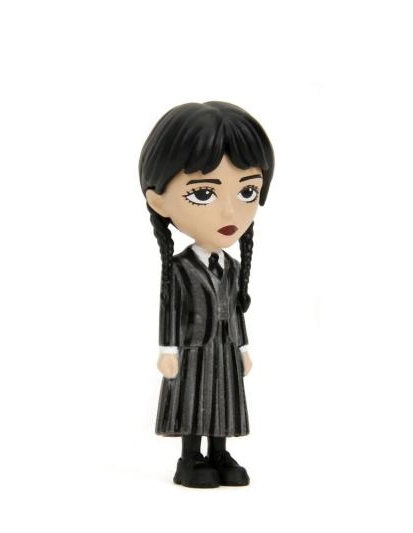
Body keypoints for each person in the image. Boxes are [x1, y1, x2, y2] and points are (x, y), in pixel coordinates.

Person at [139, 101, 275, 488]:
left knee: (223, 401)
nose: (230, 212)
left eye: (247, 190)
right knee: (192, 400)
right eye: (203, 194)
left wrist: (243, 347)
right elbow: (169, 309)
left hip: (225, 347)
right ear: (158, 200)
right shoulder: (180, 268)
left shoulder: (232, 267)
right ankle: (190, 457)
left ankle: (220, 452)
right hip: (193, 348)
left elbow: (236, 308)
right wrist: (167, 350)